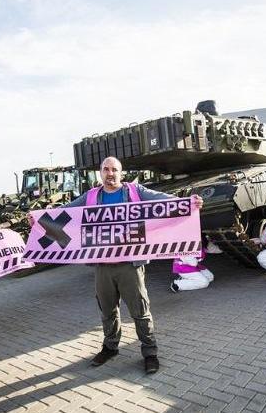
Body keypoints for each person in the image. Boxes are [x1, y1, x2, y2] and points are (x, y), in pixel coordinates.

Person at [61, 156, 203, 374]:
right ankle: (110, 347)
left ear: (121, 172)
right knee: (107, 310)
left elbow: (164, 201)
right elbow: (64, 213)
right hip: (103, 266)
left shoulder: (135, 191)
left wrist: (189, 203)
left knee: (140, 311)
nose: (110, 173)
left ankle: (150, 353)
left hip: (130, 265)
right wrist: (40, 218)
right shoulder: (90, 196)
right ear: (100, 172)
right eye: (106, 169)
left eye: (114, 169)